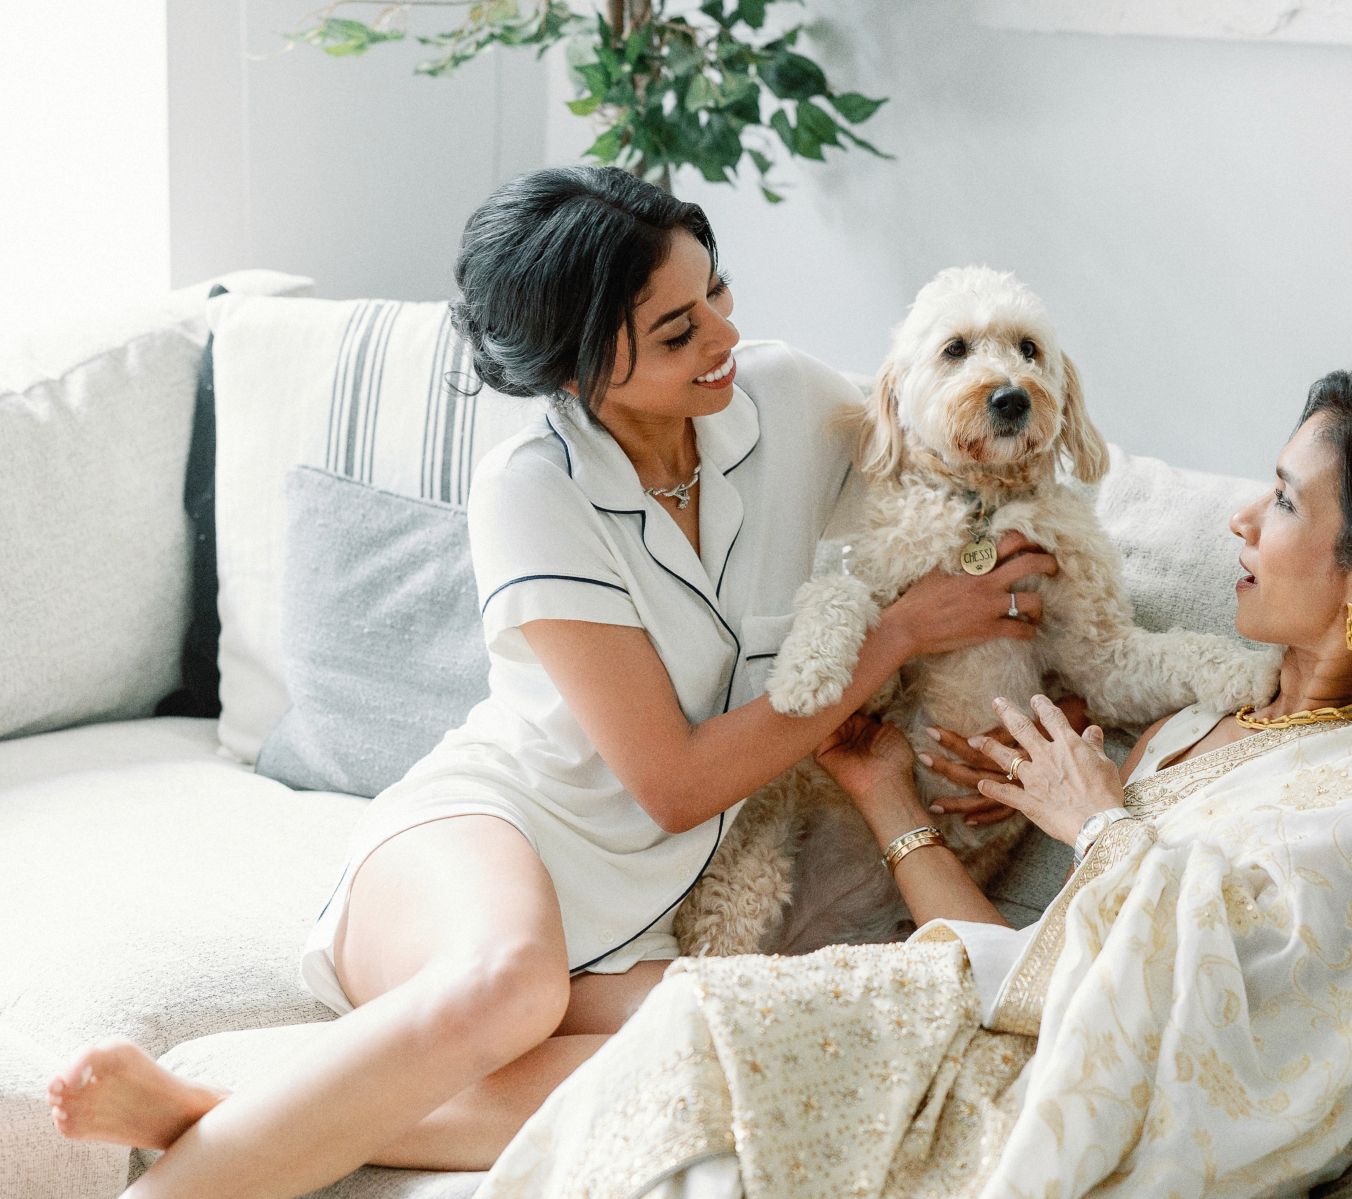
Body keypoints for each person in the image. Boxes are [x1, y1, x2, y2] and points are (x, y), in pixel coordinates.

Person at [43, 165, 1058, 1198]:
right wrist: (890, 642)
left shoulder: (787, 396)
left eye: (718, 293)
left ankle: (214, 1118)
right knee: (510, 985)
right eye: (675, 331)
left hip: (644, 919)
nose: (721, 338)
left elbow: (943, 447)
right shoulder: (531, 490)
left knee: (736, 1049)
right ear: (575, 372)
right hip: (483, 842)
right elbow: (672, 781)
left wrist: (1014, 641)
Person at [472, 347, 1352, 1198]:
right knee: (669, 1017)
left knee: (686, 1046)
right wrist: (887, 793)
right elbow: (1024, 974)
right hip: (974, 1041)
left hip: (1063, 1125)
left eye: (1287, 501)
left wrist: (1100, 822)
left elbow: (1253, 1050)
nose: (1242, 518)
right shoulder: (1192, 727)